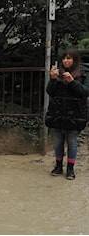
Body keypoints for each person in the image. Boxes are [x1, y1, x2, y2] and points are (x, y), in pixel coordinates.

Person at [45, 48, 89, 180]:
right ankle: (58, 165)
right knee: (58, 141)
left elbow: (86, 92)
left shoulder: (84, 73)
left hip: (76, 113)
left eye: (69, 58)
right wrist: (52, 80)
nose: (66, 61)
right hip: (58, 112)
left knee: (72, 141)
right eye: (64, 58)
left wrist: (72, 82)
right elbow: (50, 92)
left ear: (75, 60)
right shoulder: (58, 73)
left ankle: (70, 168)